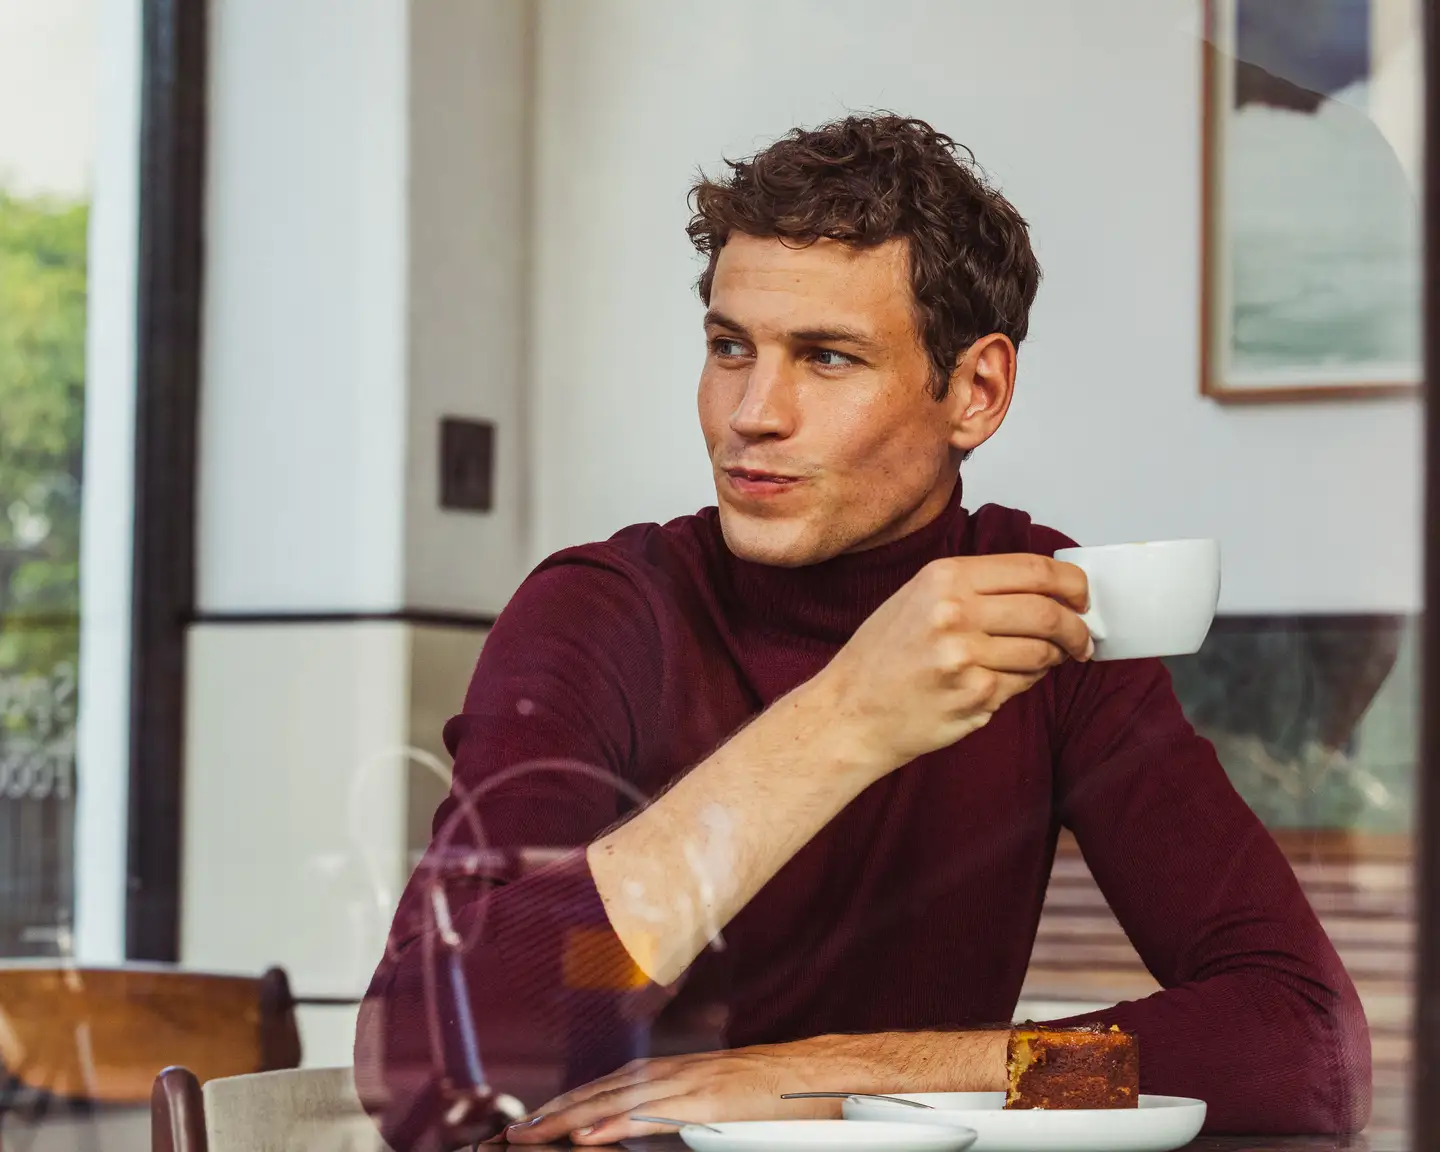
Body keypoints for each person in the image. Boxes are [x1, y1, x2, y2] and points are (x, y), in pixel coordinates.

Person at [355, 114, 1370, 1150]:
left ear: (976, 391)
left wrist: (847, 1077)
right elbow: (432, 1077)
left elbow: (1303, 1054)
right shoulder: (604, 616)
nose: (753, 412)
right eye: (728, 347)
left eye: (828, 358)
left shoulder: (1039, 618)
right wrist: (845, 720)